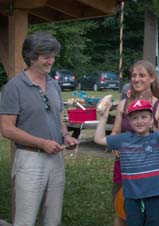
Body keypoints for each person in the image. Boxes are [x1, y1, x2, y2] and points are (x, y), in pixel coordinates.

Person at [0, 31, 78, 226]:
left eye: (53, 56)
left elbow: (58, 119)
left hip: (56, 160)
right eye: (46, 57)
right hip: (29, 161)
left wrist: (66, 136)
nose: (51, 61)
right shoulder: (14, 87)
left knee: (53, 220)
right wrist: (42, 143)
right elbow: (7, 129)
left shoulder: (54, 85)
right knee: (25, 221)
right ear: (31, 57)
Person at [95, 99, 159, 226]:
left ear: (151, 121)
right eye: (134, 118)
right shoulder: (123, 139)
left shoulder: (156, 138)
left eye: (144, 117)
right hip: (132, 198)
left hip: (154, 196)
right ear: (130, 122)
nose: (139, 121)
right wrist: (103, 118)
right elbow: (99, 139)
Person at [111, 60, 159, 226]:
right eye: (133, 75)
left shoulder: (158, 105)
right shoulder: (123, 103)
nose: (136, 79)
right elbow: (115, 131)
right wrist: (115, 144)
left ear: (151, 78)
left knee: (152, 215)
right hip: (124, 166)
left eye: (141, 75)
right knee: (121, 210)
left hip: (149, 168)